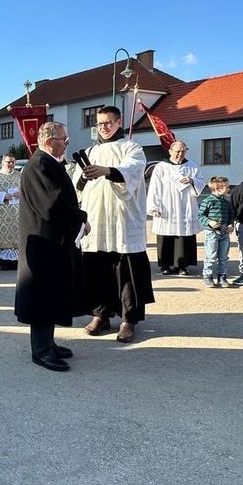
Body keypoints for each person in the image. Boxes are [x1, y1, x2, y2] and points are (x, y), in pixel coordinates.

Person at [73, 106, 154, 343]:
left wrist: (107, 170)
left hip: (122, 220)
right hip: (96, 220)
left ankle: (129, 319)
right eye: (100, 124)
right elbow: (77, 185)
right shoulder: (89, 150)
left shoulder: (132, 148)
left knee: (126, 272)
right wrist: (83, 177)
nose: (104, 127)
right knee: (96, 270)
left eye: (109, 122)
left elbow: (132, 171)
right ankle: (101, 315)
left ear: (119, 122)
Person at [15, 122, 88, 372]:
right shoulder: (39, 165)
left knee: (51, 294)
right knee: (42, 297)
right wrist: (81, 219)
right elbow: (51, 206)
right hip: (43, 242)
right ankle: (41, 350)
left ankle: (49, 343)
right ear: (49, 141)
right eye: (63, 140)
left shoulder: (49, 162)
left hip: (52, 242)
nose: (67, 144)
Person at [145, 141, 204, 275]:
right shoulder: (161, 167)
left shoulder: (193, 167)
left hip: (185, 206)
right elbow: (154, 187)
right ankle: (166, 265)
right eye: (177, 151)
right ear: (170, 151)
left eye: (183, 151)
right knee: (166, 236)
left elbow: (201, 182)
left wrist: (192, 181)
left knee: (184, 236)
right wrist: (154, 206)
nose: (180, 154)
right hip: (166, 207)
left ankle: (183, 265)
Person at [197, 176, 236, 288]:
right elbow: (200, 215)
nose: (229, 189)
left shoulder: (226, 203)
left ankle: (222, 276)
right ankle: (207, 275)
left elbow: (230, 216)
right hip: (212, 233)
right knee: (211, 255)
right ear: (218, 189)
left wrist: (230, 225)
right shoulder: (208, 201)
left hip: (224, 233)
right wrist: (210, 222)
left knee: (223, 256)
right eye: (227, 187)